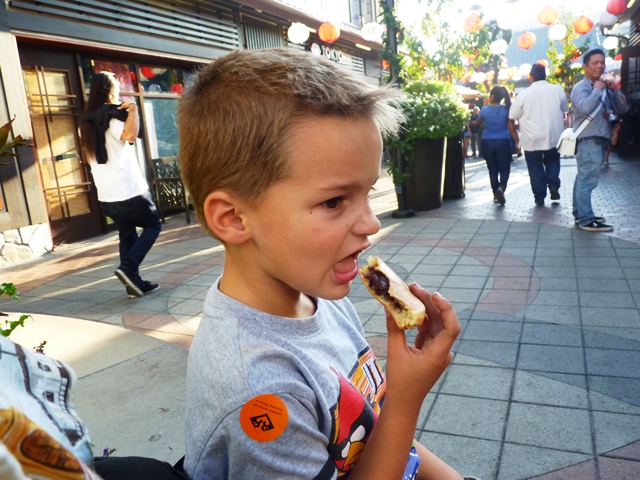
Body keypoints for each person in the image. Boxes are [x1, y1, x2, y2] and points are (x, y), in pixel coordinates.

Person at [178, 49, 468, 480]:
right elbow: (390, 421)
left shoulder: (319, 296)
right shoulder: (259, 389)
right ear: (234, 218)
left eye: (369, 192)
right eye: (334, 202)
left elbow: (372, 428)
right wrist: (406, 399)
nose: (371, 223)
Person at [80, 72, 162, 297]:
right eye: (116, 88)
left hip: (107, 194)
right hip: (129, 189)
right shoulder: (110, 116)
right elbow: (130, 135)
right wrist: (133, 109)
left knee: (127, 236)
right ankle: (128, 268)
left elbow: (87, 158)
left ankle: (133, 285)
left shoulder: (85, 123)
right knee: (153, 225)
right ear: (110, 91)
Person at [570, 48, 628, 232]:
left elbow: (623, 108)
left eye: (602, 62)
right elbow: (584, 108)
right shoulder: (581, 88)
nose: (600, 66)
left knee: (583, 178)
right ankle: (586, 220)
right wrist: (596, 90)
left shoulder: (605, 87)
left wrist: (615, 90)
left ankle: (580, 214)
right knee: (587, 180)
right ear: (585, 66)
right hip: (588, 139)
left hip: (599, 139)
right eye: (595, 63)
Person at [509, 63, 568, 206]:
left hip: (531, 139)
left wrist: (518, 140)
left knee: (535, 167)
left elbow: (512, 117)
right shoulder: (557, 90)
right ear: (545, 75)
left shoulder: (523, 95)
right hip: (553, 136)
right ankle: (553, 186)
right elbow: (564, 109)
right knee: (553, 161)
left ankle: (539, 196)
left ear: (531, 77)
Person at [476, 86, 518, 205]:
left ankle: (495, 193)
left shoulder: (484, 110)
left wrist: (485, 106)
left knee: (492, 169)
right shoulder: (506, 110)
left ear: (492, 96)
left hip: (487, 141)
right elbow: (511, 127)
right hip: (503, 141)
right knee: (504, 168)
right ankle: (502, 187)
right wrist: (517, 141)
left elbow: (479, 123)